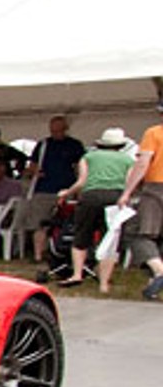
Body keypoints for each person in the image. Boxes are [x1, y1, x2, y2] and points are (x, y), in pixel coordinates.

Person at [60, 127, 136, 291]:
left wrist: (67, 193)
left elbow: (81, 182)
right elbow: (131, 184)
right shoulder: (128, 161)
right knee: (109, 240)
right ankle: (103, 283)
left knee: (81, 235)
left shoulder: (88, 157)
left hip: (90, 197)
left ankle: (77, 274)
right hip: (115, 199)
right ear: (120, 145)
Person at [21, 115, 85, 264]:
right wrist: (35, 171)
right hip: (43, 189)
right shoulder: (43, 145)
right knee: (39, 224)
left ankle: (62, 253)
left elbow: (80, 168)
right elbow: (32, 165)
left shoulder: (74, 145)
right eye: (53, 130)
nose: (56, 133)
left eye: (59, 130)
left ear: (65, 129)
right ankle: (38, 255)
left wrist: (78, 189)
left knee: (66, 224)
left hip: (66, 189)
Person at [118, 107, 163, 300]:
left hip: (157, 187)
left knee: (137, 232)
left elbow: (143, 163)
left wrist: (127, 191)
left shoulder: (154, 133)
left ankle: (159, 272)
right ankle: (152, 282)